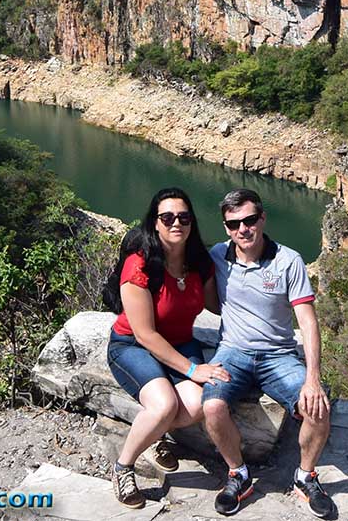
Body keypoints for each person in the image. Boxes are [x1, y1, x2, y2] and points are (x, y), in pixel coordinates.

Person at [201, 188, 336, 518]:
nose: (242, 230)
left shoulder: (288, 260)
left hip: (278, 355)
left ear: (262, 218)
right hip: (232, 351)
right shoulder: (218, 256)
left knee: (317, 408)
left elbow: (306, 320)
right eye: (233, 224)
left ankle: (305, 476)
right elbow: (203, 297)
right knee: (213, 407)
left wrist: (313, 378)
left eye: (249, 220)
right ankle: (238, 474)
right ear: (226, 228)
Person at [103, 187, 231, 509]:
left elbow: (217, 305)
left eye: (183, 217)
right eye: (167, 217)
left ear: (192, 222)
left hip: (178, 342)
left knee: (200, 402)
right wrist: (191, 369)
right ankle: (123, 466)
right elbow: (145, 335)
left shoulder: (200, 263)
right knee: (162, 406)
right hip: (132, 345)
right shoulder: (140, 266)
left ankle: (153, 433)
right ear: (155, 223)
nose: (176, 223)